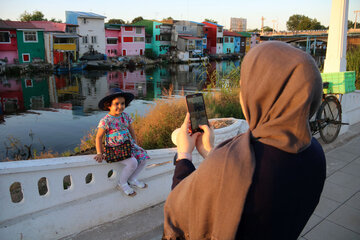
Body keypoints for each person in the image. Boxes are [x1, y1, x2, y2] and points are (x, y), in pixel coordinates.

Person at [163, 41, 326, 239]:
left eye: (245, 85)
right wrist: (210, 151)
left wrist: (184, 155)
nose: (242, 94)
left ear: (261, 94)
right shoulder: (315, 153)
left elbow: (180, 211)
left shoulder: (231, 162)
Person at [95, 88, 150, 196]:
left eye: (122, 103)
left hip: (129, 145)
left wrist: (136, 144)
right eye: (116, 104)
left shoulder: (125, 117)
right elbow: (98, 137)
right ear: (109, 105)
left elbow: (132, 131)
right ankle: (122, 183)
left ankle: (133, 179)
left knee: (143, 158)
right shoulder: (106, 120)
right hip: (116, 148)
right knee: (132, 162)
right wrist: (99, 152)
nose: (120, 106)